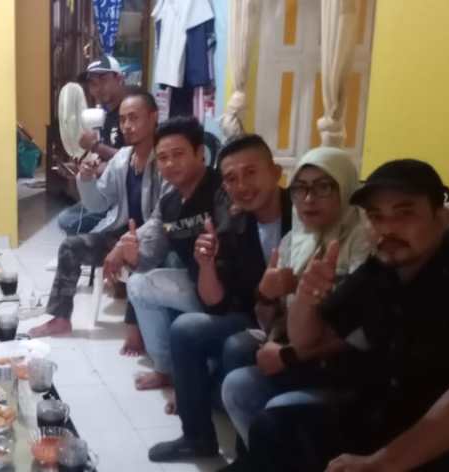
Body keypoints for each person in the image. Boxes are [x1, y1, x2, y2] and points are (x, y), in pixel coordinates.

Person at [248, 159, 449, 472]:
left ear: (441, 219)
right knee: (273, 429)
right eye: (375, 216)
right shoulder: (380, 271)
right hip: (385, 419)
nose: (387, 228)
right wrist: (306, 297)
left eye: (404, 213)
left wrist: (381, 463)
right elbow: (308, 340)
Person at [217, 147, 371, 469]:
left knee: (277, 408)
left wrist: (288, 354)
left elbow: (361, 332)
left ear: (346, 187)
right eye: (300, 188)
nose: (309, 199)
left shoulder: (365, 240)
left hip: (347, 371)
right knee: (237, 383)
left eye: (323, 187)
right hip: (303, 356)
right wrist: (267, 294)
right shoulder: (294, 240)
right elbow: (267, 318)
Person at [147, 134, 292, 461]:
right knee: (185, 329)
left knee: (237, 347)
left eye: (251, 172)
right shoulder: (233, 224)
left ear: (275, 172)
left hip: (295, 323)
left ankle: (247, 454)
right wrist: (206, 264)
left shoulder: (300, 214)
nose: (242, 185)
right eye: (232, 178)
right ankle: (196, 437)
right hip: (254, 317)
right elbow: (216, 303)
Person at [28, 91, 164, 338]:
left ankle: (141, 328)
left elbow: (160, 220)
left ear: (154, 117)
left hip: (153, 243)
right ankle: (60, 318)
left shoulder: (164, 161)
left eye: (134, 118)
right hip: (120, 237)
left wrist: (124, 246)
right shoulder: (123, 159)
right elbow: (97, 205)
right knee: (70, 247)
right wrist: (86, 178)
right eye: (122, 119)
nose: (126, 126)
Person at [114, 116, 223, 387]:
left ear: (200, 153)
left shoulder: (222, 189)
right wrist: (133, 256)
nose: (170, 164)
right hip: (197, 285)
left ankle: (191, 377)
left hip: (226, 290)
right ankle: (164, 370)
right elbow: (150, 253)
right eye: (163, 158)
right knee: (138, 283)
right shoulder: (169, 202)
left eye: (178, 154)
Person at [58, 55, 129, 235]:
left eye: (103, 80)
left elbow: (133, 157)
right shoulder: (105, 116)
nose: (97, 88)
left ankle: (100, 244)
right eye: (93, 83)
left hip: (124, 197)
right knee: (67, 219)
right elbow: (110, 158)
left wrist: (96, 147)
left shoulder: (129, 112)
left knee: (68, 221)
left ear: (120, 79)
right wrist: (87, 167)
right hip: (108, 188)